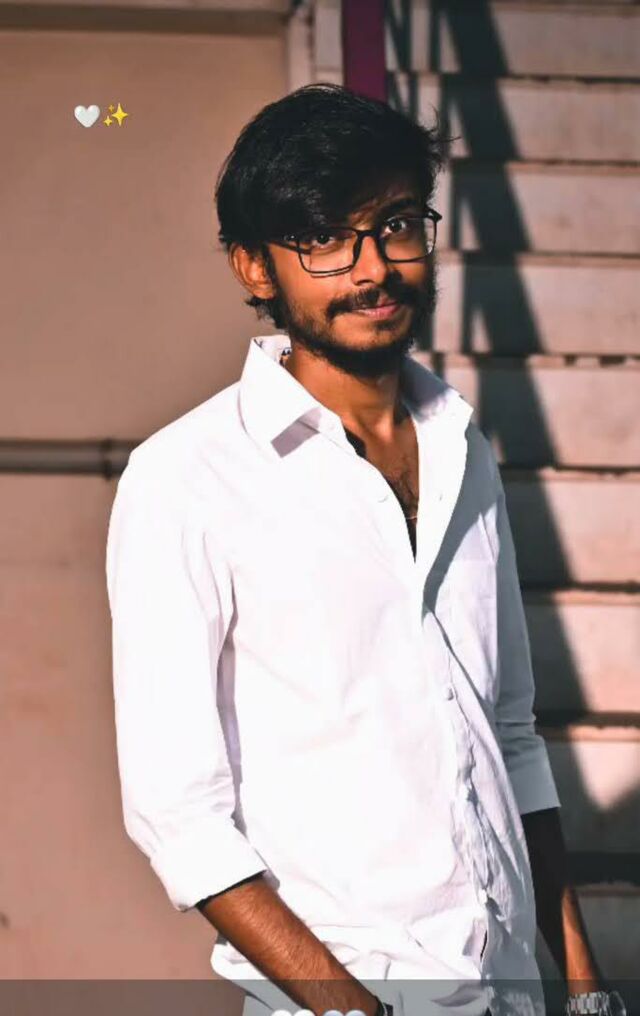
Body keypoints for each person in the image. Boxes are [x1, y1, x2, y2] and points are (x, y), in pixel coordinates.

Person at [106, 84, 620, 1016]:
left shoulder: (464, 449)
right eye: (324, 240)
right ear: (255, 267)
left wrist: (581, 979)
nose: (373, 268)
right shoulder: (187, 477)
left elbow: (508, 733)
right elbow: (177, 815)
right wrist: (351, 1008)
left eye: (395, 225)